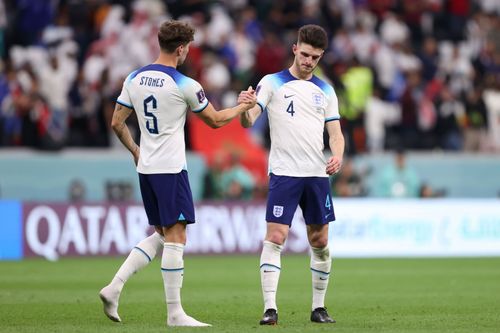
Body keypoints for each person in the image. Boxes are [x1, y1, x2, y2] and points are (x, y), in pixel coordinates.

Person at [98, 20, 256, 327]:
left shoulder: (135, 77)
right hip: (171, 168)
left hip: (146, 168)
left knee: (161, 233)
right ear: (181, 49)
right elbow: (215, 120)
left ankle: (114, 287)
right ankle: (175, 314)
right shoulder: (185, 84)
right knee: (177, 236)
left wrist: (135, 151)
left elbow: (117, 122)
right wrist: (242, 106)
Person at [239, 24, 345, 325]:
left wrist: (337, 155)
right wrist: (244, 109)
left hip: (316, 174)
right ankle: (270, 308)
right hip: (284, 173)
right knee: (275, 236)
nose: (308, 61)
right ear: (295, 48)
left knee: (320, 240)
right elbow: (249, 121)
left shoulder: (325, 90)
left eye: (315, 57)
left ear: (321, 56)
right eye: (305, 54)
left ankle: (319, 307)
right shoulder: (271, 83)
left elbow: (335, 134)